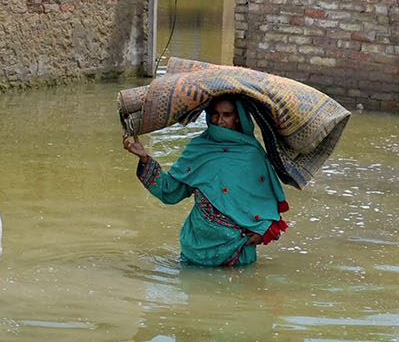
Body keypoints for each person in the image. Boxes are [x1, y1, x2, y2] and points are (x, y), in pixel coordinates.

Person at [122, 94, 290, 267]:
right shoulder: (198, 148)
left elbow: (265, 198)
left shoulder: (252, 153)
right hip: (197, 247)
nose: (219, 121)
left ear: (238, 117)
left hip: (237, 250)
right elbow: (170, 191)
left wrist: (262, 232)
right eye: (215, 114)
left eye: (227, 115)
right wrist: (144, 159)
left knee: (241, 292)